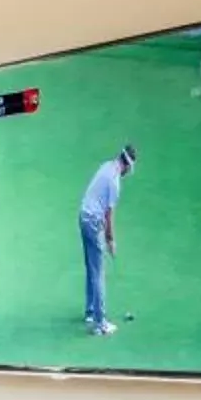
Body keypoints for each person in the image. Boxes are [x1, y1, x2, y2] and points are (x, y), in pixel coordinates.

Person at [77, 143, 135, 335]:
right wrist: (111, 240)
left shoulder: (105, 166)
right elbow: (109, 214)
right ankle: (101, 324)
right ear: (126, 165)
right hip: (93, 222)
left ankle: (90, 312)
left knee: (91, 267)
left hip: (83, 217)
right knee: (98, 272)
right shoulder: (115, 182)